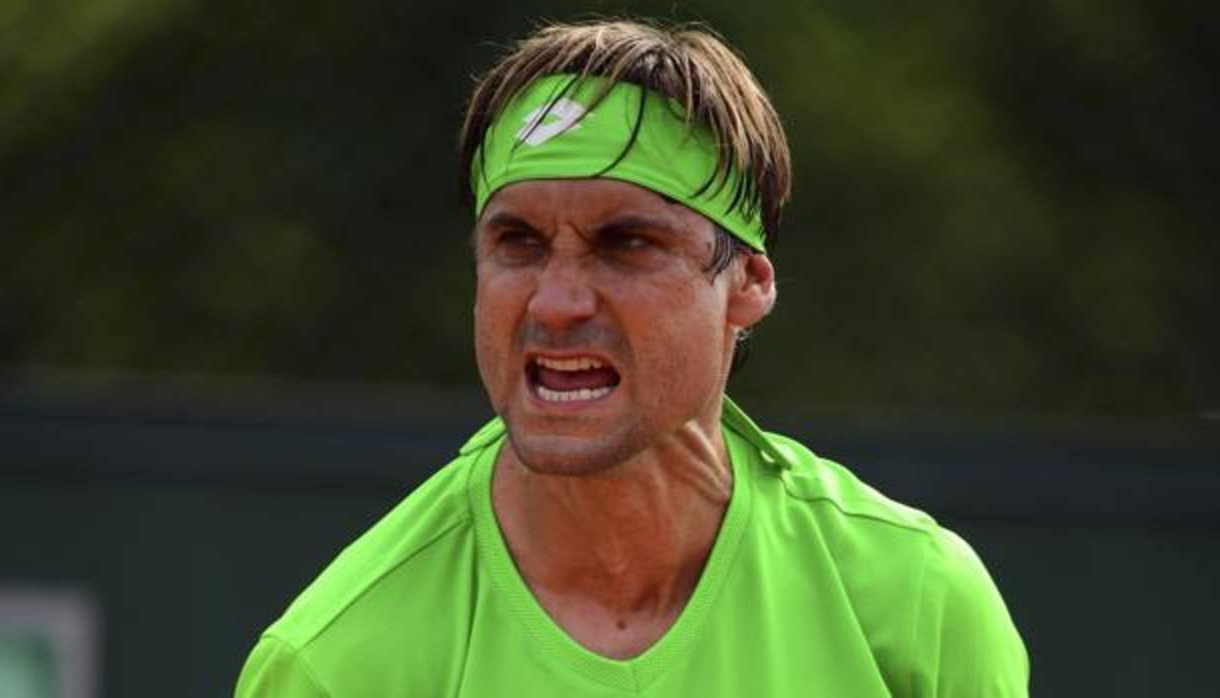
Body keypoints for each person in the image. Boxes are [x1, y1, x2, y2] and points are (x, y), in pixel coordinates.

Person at [235, 19, 1029, 697]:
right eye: (519, 242)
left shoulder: (918, 609)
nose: (556, 303)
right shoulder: (336, 664)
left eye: (627, 243)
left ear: (749, 284)